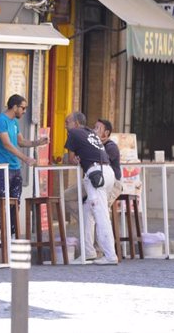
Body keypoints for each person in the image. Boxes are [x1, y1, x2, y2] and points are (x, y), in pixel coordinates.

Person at [64, 111, 118, 265]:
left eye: (67, 122)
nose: (65, 126)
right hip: (107, 173)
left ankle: (110, 255)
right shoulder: (91, 133)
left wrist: (75, 159)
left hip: (95, 175)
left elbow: (71, 159)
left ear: (75, 123)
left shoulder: (73, 133)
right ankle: (88, 252)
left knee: (101, 215)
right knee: (88, 211)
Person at [0, 94, 48, 234]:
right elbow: (7, 144)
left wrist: (37, 143)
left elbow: (20, 142)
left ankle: (10, 234)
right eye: (23, 108)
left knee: (16, 203)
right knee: (1, 201)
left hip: (16, 168)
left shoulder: (14, 122)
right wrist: (25, 158)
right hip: (3, 167)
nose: (24, 111)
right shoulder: (0, 120)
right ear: (14, 107)